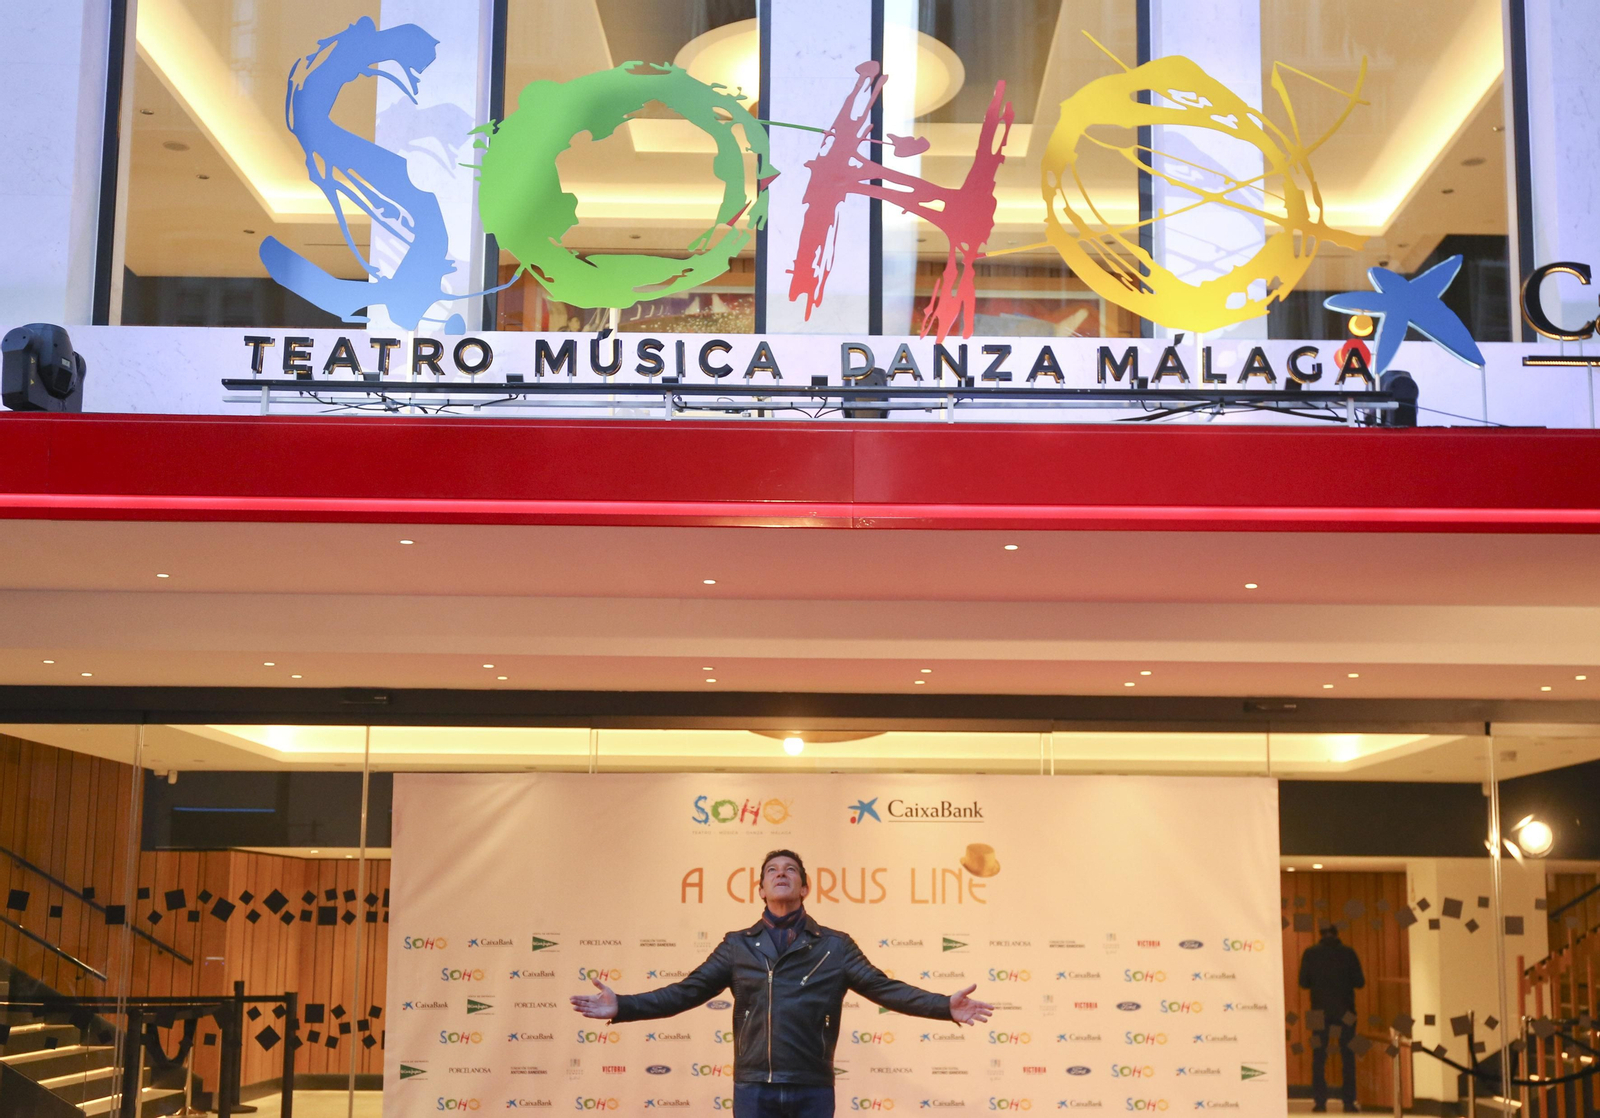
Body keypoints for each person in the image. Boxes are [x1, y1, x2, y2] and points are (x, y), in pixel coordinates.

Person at [571, 848, 993, 1118]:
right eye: (772, 870)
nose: (781, 873)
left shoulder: (835, 946)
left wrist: (944, 1005)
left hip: (812, 1086)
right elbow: (686, 991)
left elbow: (884, 988)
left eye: (791, 870)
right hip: (754, 1086)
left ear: (805, 887)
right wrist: (623, 1005)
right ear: (760, 889)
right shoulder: (737, 946)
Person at [1299, 921, 1366, 1112]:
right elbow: (1360, 982)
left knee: (1318, 1057)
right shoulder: (1349, 953)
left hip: (1317, 1012)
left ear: (1320, 934)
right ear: (1337, 934)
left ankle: (1320, 1103)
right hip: (1346, 1011)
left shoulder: (1310, 953)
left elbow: (1303, 982)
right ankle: (1348, 1103)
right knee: (1348, 1056)